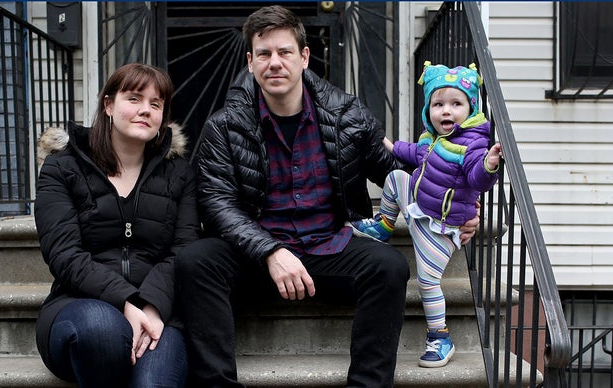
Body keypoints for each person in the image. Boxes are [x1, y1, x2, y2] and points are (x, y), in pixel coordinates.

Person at [175, 6, 480, 387]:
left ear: (304, 57)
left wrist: (456, 206)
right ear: (250, 62)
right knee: (194, 262)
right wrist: (269, 251)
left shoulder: (345, 113)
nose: (275, 63)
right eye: (264, 54)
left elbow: (394, 171)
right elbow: (216, 202)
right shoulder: (224, 125)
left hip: (327, 246)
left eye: (285, 52)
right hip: (257, 255)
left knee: (389, 268)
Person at [34, 63, 199, 387]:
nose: (145, 110)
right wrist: (126, 301)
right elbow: (64, 254)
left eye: (156, 104)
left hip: (160, 311)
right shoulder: (62, 167)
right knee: (100, 329)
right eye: (134, 99)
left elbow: (184, 250)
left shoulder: (180, 173)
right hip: (79, 306)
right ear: (108, 105)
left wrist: (150, 305)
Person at [349, 61, 501, 368]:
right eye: (438, 104)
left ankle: (440, 337)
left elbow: (476, 178)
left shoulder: (472, 146)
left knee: (428, 282)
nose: (446, 111)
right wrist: (387, 143)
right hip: (421, 208)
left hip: (442, 228)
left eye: (456, 104)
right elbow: (410, 153)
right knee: (395, 178)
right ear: (428, 109)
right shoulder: (431, 139)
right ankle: (383, 225)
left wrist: (489, 165)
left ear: (470, 109)